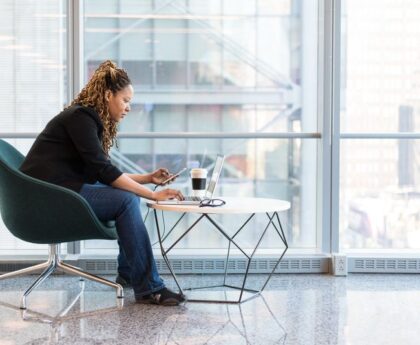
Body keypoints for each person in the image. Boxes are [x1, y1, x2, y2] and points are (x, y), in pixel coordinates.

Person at [20, 60, 186, 306]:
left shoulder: (84, 118)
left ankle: (130, 274)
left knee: (128, 196)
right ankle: (149, 287)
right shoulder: (81, 118)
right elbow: (105, 171)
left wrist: (148, 179)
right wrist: (152, 194)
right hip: (46, 198)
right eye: (125, 100)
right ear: (108, 95)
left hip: (56, 192)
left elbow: (103, 171)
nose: (128, 107)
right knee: (128, 199)